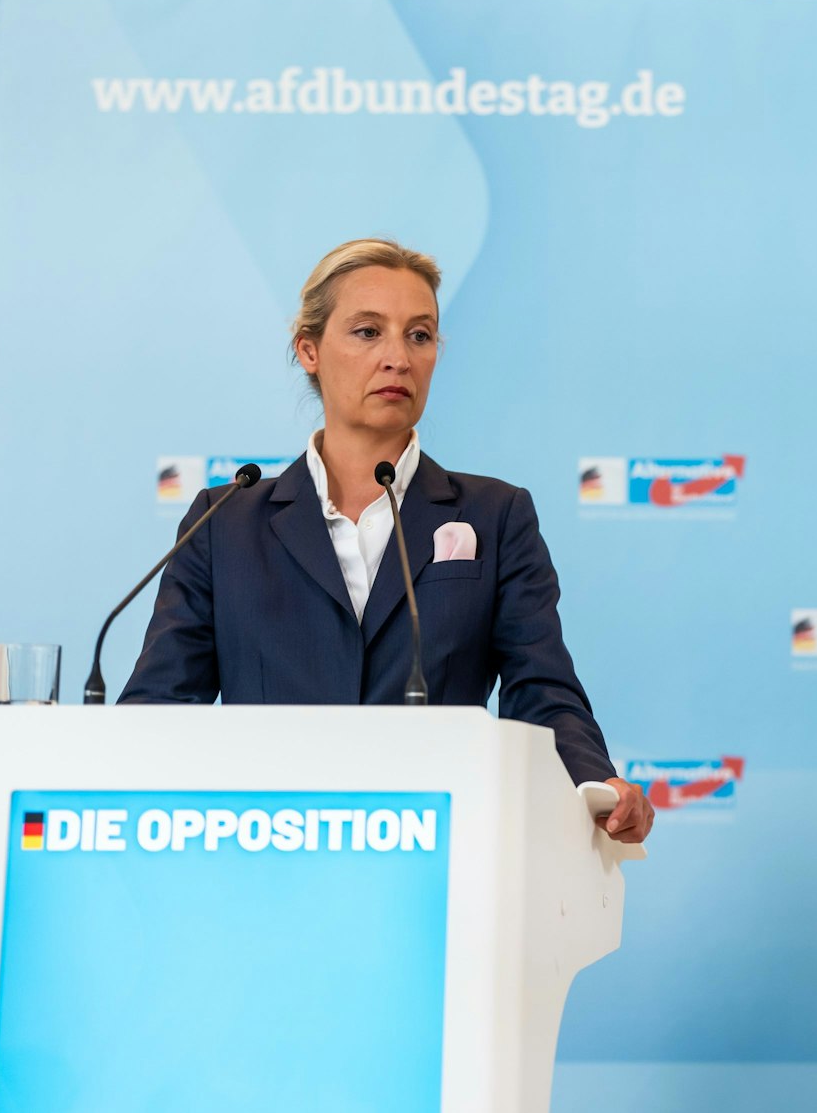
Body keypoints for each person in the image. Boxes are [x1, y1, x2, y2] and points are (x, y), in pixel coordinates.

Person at [121, 238, 653, 842]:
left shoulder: (495, 515)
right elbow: (160, 710)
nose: (397, 357)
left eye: (420, 335)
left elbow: (542, 690)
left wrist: (595, 783)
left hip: (439, 850)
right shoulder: (224, 522)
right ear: (309, 351)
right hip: (266, 855)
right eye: (368, 332)